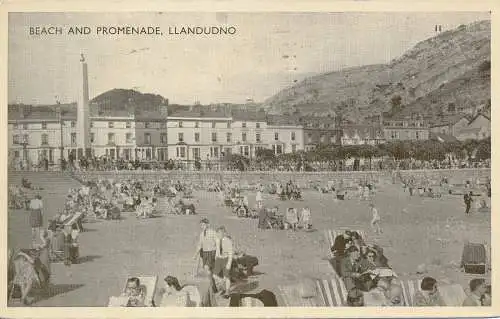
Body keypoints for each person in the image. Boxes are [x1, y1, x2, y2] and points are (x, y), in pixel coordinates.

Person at [214, 226, 234, 298]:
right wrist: (216, 257)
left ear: (224, 233)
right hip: (219, 259)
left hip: (226, 259)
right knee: (214, 275)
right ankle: (223, 285)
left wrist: (229, 263)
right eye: (217, 233)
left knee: (227, 277)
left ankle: (227, 292)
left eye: (219, 233)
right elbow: (217, 249)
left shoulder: (228, 241)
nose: (218, 235)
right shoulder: (217, 240)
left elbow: (231, 253)